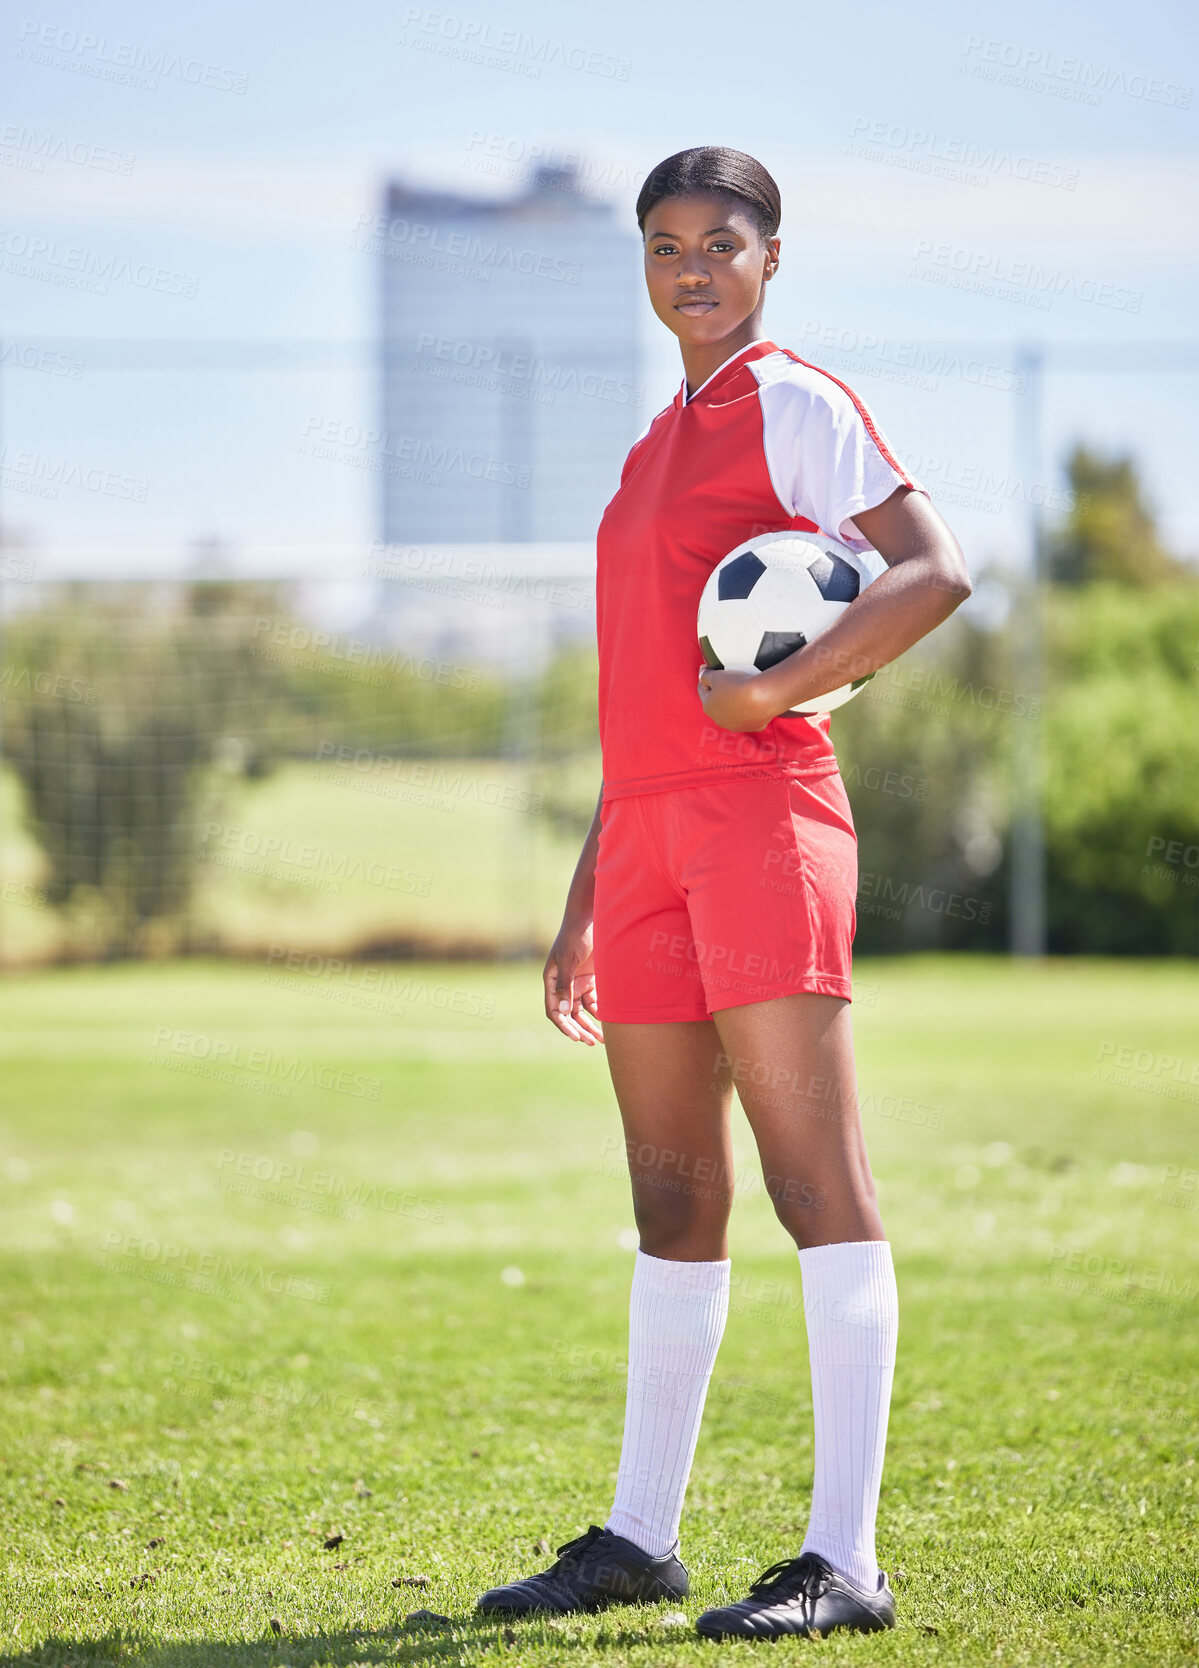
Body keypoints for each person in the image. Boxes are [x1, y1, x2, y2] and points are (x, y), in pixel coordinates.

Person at [475, 145, 971, 1643]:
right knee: (673, 1192)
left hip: (763, 822)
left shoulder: (795, 403)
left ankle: (845, 1561)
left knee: (819, 1184)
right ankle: (639, 1535)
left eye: (722, 242)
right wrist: (585, 894)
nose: (692, 266)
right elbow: (639, 697)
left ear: (770, 258)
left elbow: (934, 572)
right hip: (643, 848)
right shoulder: (650, 446)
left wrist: (789, 693)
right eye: (665, 243)